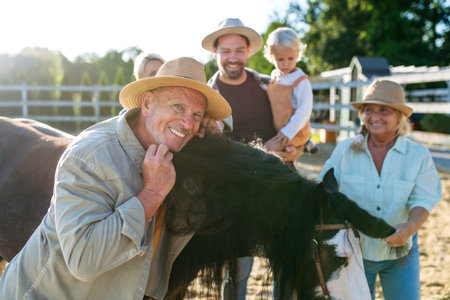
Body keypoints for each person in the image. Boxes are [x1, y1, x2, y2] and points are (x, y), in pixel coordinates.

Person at [0, 57, 231, 300]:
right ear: (148, 103)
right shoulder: (89, 157)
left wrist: (209, 143)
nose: (187, 123)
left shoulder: (170, 151)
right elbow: (83, 260)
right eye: (177, 107)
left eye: (197, 115)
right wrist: (150, 195)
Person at [202, 17, 304, 300]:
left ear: (248, 51)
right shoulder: (211, 96)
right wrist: (264, 151)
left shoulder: (267, 84)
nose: (232, 58)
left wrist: (298, 147)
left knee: (285, 263)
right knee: (236, 268)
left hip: (280, 181)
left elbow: (295, 120)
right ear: (215, 53)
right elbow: (215, 151)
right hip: (237, 189)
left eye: (238, 50)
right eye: (226, 51)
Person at [317, 79, 442, 300]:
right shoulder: (345, 150)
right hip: (354, 255)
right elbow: (322, 188)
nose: (374, 117)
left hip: (400, 254)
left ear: (399, 116)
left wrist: (410, 227)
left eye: (384, 111)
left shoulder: (418, 155)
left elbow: (423, 199)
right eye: (369, 110)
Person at [263, 27, 318, 155]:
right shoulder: (275, 76)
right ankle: (298, 147)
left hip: (293, 132)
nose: (285, 64)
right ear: (272, 57)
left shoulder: (301, 81)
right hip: (280, 130)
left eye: (290, 58)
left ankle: (303, 143)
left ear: (298, 54)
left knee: (265, 149)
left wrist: (288, 132)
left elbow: (304, 110)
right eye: (280, 59)